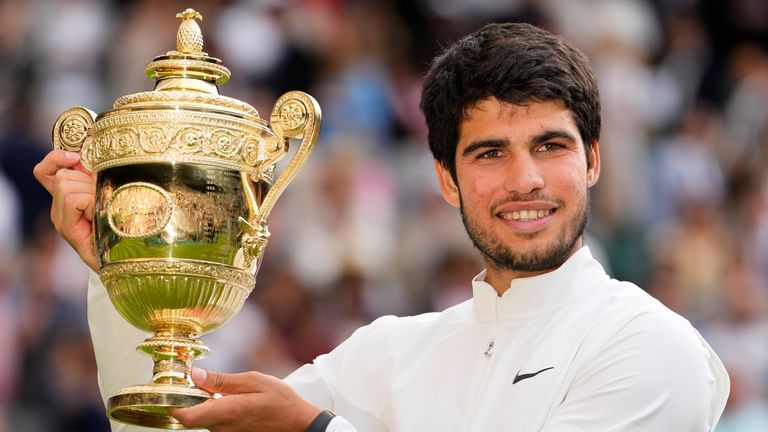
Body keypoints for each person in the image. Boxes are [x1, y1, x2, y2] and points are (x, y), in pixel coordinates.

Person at [35, 22, 729, 432]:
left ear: (595, 160)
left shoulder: (650, 344)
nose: (526, 180)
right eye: (490, 153)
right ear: (445, 179)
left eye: (551, 146)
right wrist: (121, 265)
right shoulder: (390, 353)